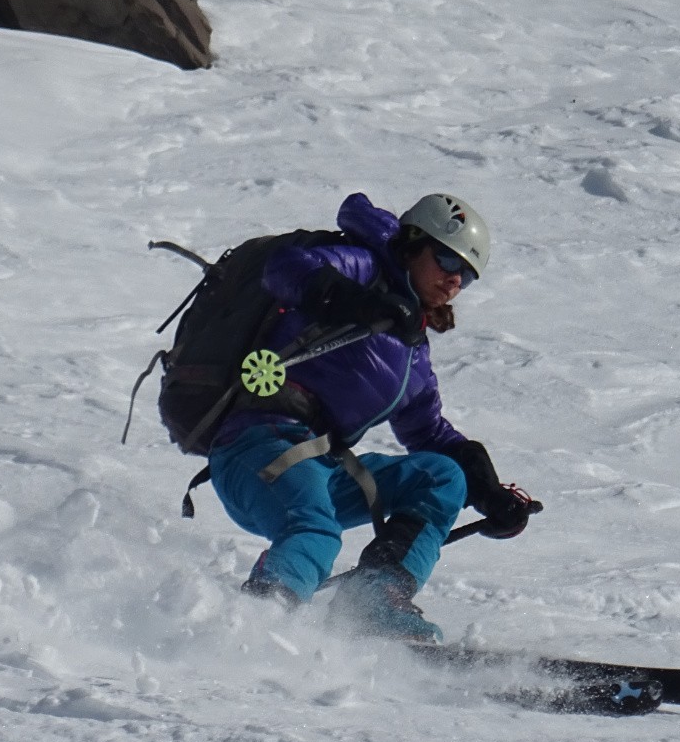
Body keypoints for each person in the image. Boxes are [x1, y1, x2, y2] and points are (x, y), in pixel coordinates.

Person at [207, 191, 536, 642]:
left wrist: (490, 493)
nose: (454, 279)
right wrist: (355, 301)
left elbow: (431, 433)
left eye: (467, 275)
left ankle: (375, 600)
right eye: (445, 259)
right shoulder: (365, 266)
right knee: (317, 530)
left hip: (316, 465)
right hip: (256, 447)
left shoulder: (411, 354)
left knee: (440, 476)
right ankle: (254, 626)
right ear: (413, 244)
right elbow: (285, 268)